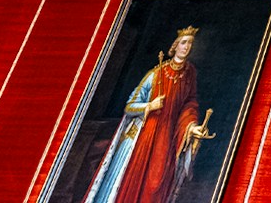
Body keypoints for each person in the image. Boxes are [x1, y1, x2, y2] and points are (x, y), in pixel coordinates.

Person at [82, 26, 213, 203]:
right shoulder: (156, 74)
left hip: (168, 139)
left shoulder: (189, 74)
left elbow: (189, 105)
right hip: (146, 136)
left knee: (157, 185)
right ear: (175, 46)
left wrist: (192, 127)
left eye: (190, 43)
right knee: (136, 180)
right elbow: (130, 106)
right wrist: (150, 105)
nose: (187, 47)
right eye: (183, 42)